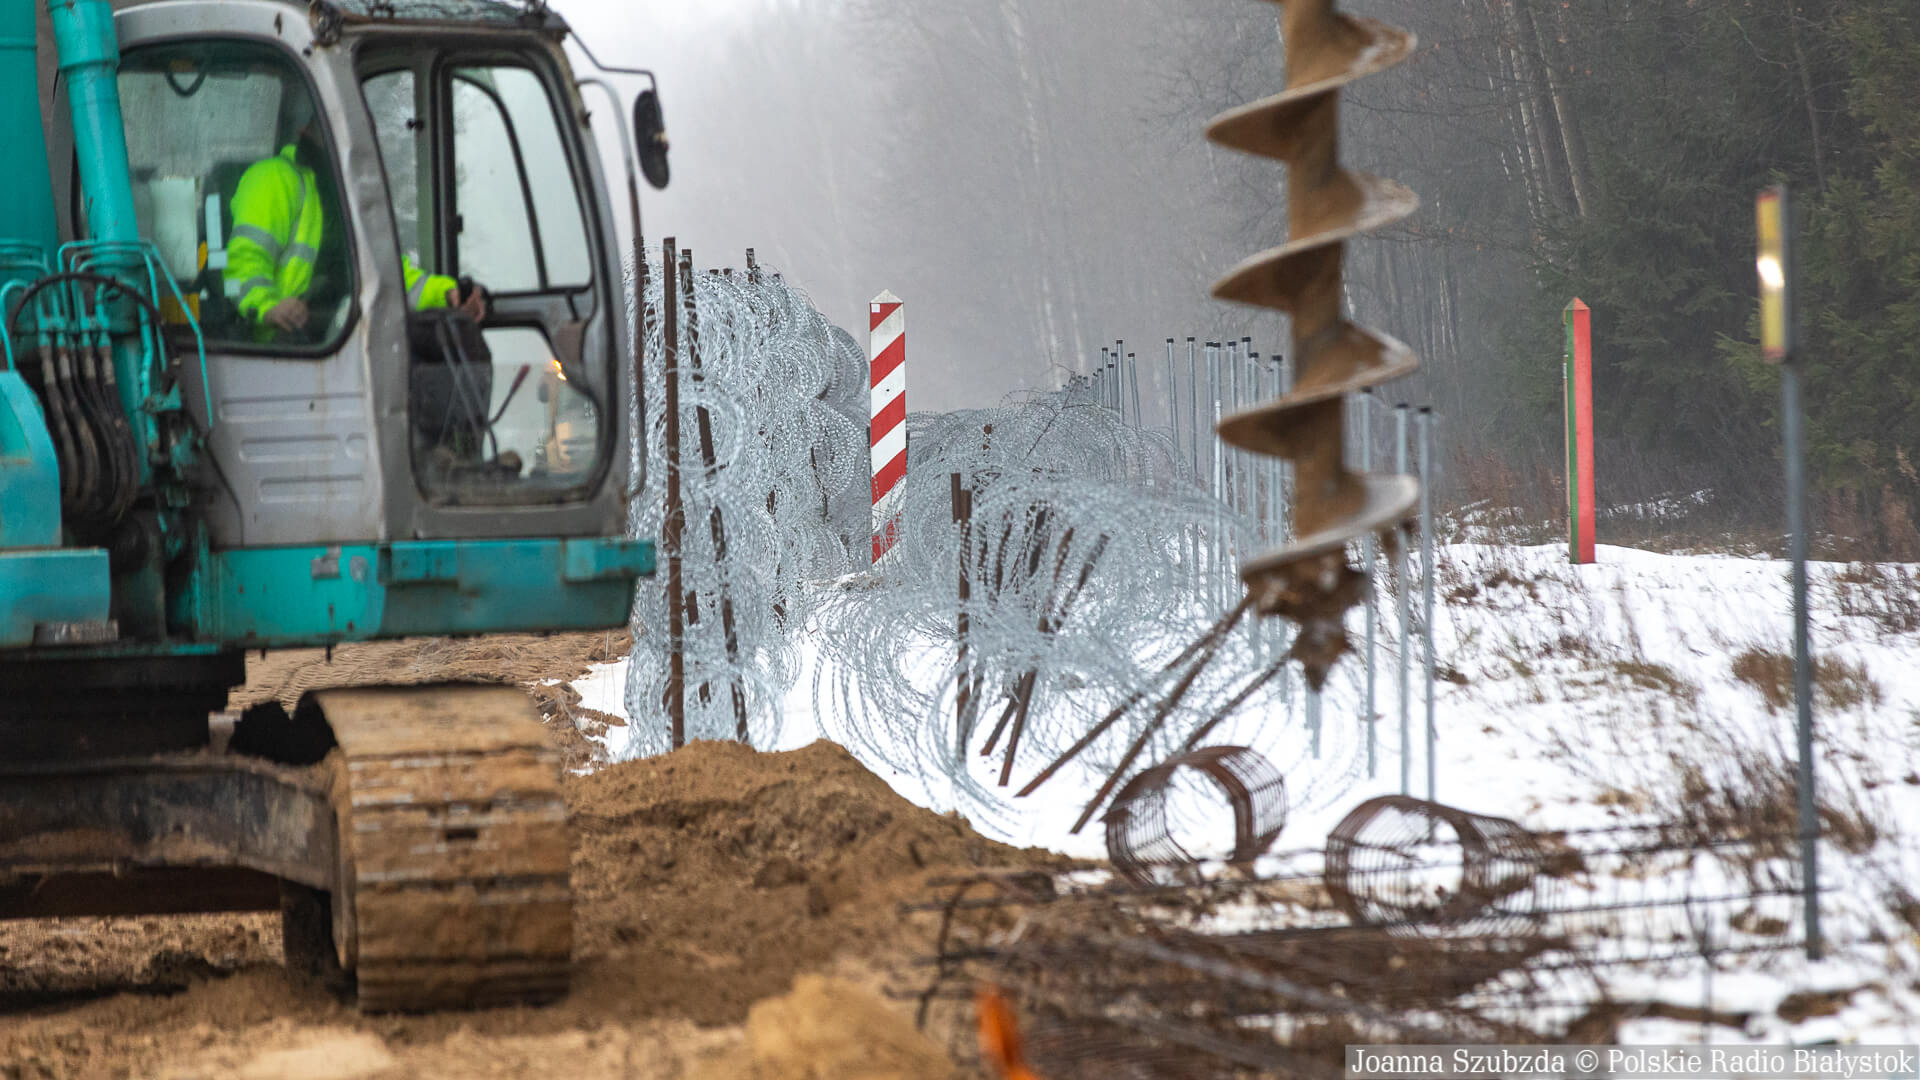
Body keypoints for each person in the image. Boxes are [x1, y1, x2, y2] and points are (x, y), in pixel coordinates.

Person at [227, 89, 486, 339]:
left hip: (339, 337)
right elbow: (244, 265)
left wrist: (448, 293)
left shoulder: (347, 192)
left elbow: (387, 274)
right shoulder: (273, 179)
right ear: (305, 128)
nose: (343, 138)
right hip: (279, 347)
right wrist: (268, 308)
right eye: (331, 126)